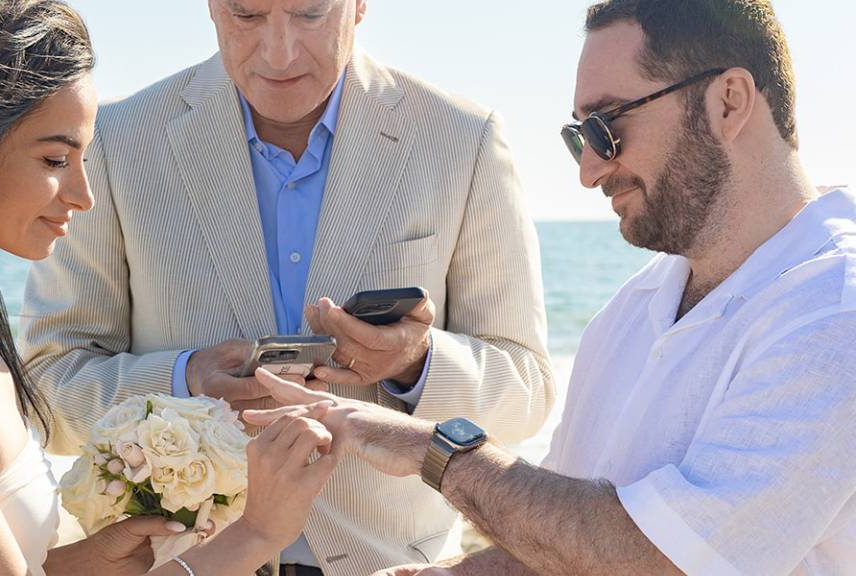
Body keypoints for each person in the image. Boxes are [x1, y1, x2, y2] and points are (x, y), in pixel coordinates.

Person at [244, 0, 856, 574]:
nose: (589, 170)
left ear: (728, 102)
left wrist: (436, 451)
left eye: (607, 127)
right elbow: (564, 542)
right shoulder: (635, 306)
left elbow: (665, 560)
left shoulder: (835, 308)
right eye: (579, 137)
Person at [20, 0, 554, 573]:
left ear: (359, 7)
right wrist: (185, 381)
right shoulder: (114, 143)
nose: (278, 53)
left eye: (310, 14)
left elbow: (528, 392)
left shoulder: (463, 141)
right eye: (247, 16)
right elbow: (47, 392)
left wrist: (415, 362)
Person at [0, 1, 336, 575]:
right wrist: (257, 533)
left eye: (85, 159)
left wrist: (84, 563)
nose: (83, 194)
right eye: (55, 158)